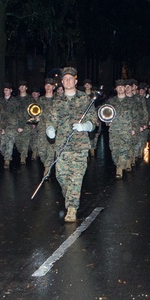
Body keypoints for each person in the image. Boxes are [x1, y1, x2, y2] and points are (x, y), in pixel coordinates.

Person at [45, 67, 97, 223]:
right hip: (62, 146)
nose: (68, 81)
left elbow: (94, 121)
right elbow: (51, 120)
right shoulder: (57, 101)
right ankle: (70, 198)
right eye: (65, 79)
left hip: (80, 146)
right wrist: (50, 130)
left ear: (76, 81)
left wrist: (86, 126)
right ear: (61, 82)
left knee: (75, 178)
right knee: (62, 177)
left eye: (71, 78)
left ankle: (72, 208)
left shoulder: (85, 100)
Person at [105, 80, 136, 179]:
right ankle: (119, 163)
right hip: (114, 129)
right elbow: (106, 113)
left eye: (122, 87)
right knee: (114, 149)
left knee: (123, 149)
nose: (120, 88)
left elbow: (135, 116)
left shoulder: (131, 101)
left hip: (126, 129)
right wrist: (107, 122)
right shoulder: (111, 101)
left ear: (125, 88)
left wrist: (134, 128)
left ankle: (119, 169)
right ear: (116, 89)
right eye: (118, 87)